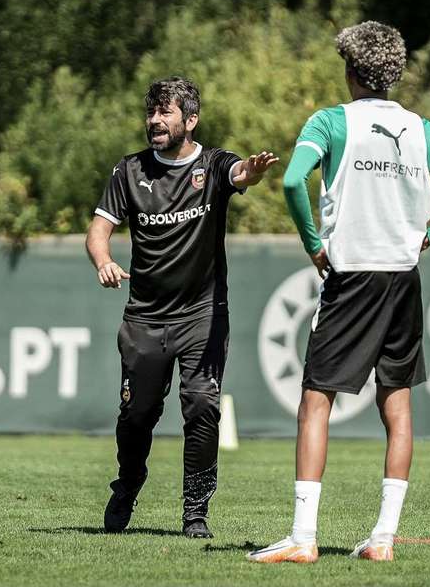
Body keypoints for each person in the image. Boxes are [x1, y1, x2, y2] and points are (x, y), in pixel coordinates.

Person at [248, 21, 430, 563]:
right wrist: (429, 237)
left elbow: (294, 181)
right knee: (399, 406)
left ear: (349, 70)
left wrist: (313, 244)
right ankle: (382, 540)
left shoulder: (330, 122)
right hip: (402, 276)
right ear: (393, 73)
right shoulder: (422, 130)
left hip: (353, 274)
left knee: (316, 400)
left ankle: (303, 538)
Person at [86, 76, 278, 539]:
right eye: (151, 113)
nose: (154, 121)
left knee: (202, 405)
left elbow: (238, 175)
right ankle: (128, 484)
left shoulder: (213, 165)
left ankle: (195, 511)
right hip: (145, 318)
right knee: (137, 417)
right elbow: (98, 231)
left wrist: (249, 174)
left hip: (203, 314)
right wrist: (104, 260)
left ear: (190, 120)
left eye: (165, 113)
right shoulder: (128, 171)